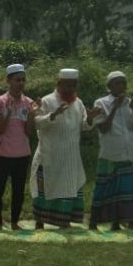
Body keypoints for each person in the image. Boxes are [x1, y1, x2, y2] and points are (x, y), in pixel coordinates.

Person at [30, 68, 92, 229]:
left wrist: (91, 118)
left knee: (68, 186)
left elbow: (84, 125)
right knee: (47, 188)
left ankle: (63, 221)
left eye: (73, 86)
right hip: (50, 154)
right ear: (59, 84)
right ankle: (40, 221)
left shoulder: (78, 103)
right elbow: (36, 123)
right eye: (66, 85)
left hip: (70, 156)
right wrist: (52, 115)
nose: (70, 89)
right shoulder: (47, 101)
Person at [89, 71, 133, 230]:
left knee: (126, 190)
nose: (121, 86)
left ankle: (127, 222)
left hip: (128, 153)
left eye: (123, 83)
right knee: (104, 188)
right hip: (110, 154)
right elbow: (104, 129)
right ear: (109, 86)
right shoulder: (101, 103)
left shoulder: (131, 103)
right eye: (117, 83)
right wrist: (114, 108)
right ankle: (95, 222)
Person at [0, 64, 34, 231]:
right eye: (17, 80)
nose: (20, 83)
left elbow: (29, 132)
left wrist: (31, 115)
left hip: (22, 153)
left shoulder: (28, 102)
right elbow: (0, 129)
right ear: (9, 80)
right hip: (2, 153)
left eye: (23, 80)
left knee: (19, 190)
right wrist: (8, 112)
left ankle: (15, 222)